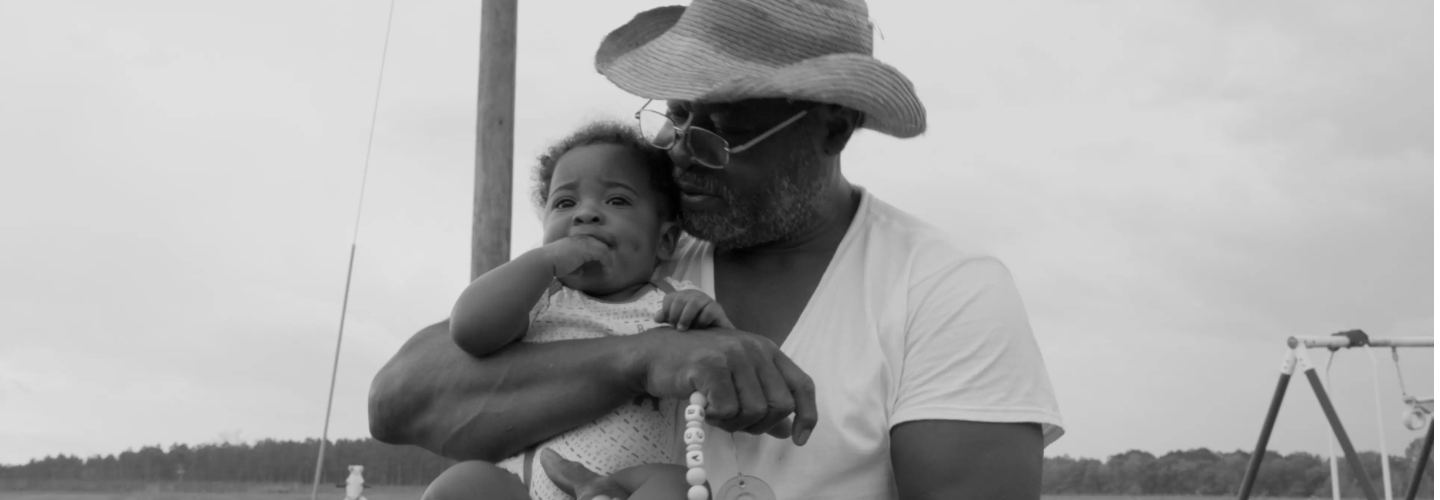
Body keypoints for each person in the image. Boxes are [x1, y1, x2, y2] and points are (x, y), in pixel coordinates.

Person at [371, 0, 1065, 498]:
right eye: (676, 118)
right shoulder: (639, 249)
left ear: (834, 127)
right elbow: (401, 401)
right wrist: (645, 357)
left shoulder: (943, 289)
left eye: (721, 133)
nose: (680, 157)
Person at [444, 121, 730, 500]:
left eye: (617, 201)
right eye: (565, 203)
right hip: (524, 485)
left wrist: (704, 319)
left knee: (676, 485)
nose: (586, 214)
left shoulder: (672, 300)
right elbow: (469, 329)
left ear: (664, 240)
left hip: (625, 483)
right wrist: (541, 262)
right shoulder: (540, 298)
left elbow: (721, 364)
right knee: (459, 483)